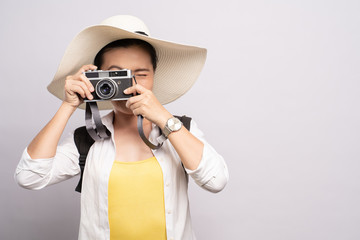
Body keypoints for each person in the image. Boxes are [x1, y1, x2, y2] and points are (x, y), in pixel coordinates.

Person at [15, 15, 229, 240]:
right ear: (97, 78)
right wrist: (68, 105)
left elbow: (216, 181)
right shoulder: (88, 139)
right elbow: (29, 177)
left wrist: (163, 118)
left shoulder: (180, 128)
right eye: (117, 74)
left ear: (155, 77)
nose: (129, 85)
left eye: (140, 74)